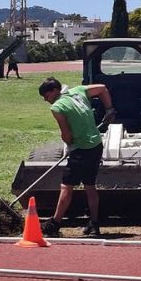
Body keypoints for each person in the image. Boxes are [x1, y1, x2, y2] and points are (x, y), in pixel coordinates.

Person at [38, 77, 116, 237]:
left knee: (67, 186)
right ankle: (94, 224)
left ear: (54, 91)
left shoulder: (57, 107)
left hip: (81, 149)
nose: (46, 100)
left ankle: (55, 224)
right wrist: (109, 109)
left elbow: (66, 135)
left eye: (46, 96)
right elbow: (102, 88)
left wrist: (68, 143)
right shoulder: (79, 91)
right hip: (95, 145)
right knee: (90, 185)